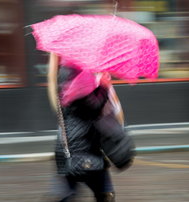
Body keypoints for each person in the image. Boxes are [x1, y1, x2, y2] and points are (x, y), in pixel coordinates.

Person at [47, 52, 134, 202]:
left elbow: (52, 80)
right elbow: (101, 108)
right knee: (105, 194)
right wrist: (104, 87)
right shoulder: (84, 80)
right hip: (86, 150)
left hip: (67, 147)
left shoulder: (64, 77)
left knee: (67, 192)